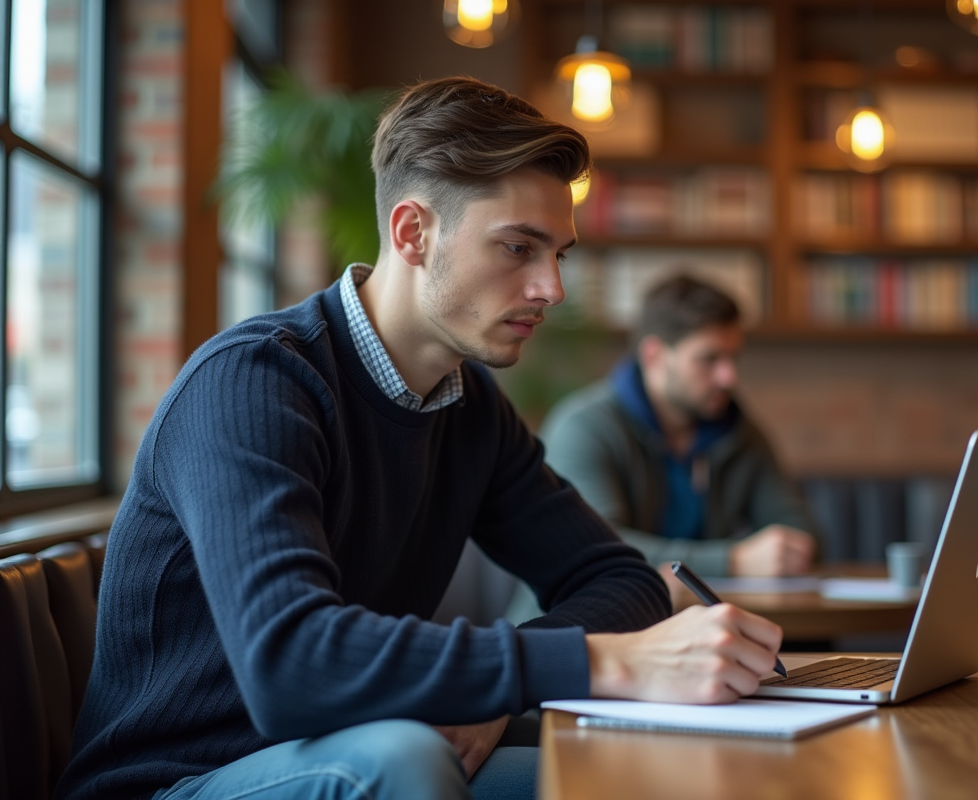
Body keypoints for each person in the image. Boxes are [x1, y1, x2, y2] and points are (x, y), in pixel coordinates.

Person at [55, 78, 786, 800]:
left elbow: (620, 581)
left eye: (557, 254)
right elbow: (291, 663)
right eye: (517, 248)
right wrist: (606, 664)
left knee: (650, 771)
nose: (551, 289)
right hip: (180, 781)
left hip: (354, 742)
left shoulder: (470, 409)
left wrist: (494, 696)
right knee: (401, 759)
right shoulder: (252, 382)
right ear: (412, 233)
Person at [507, 275, 819, 623]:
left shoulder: (738, 431)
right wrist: (733, 561)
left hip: (690, 632)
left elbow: (797, 528)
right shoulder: (585, 427)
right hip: (572, 638)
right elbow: (595, 546)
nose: (728, 377)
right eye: (709, 359)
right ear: (655, 355)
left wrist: (788, 550)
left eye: (733, 358)